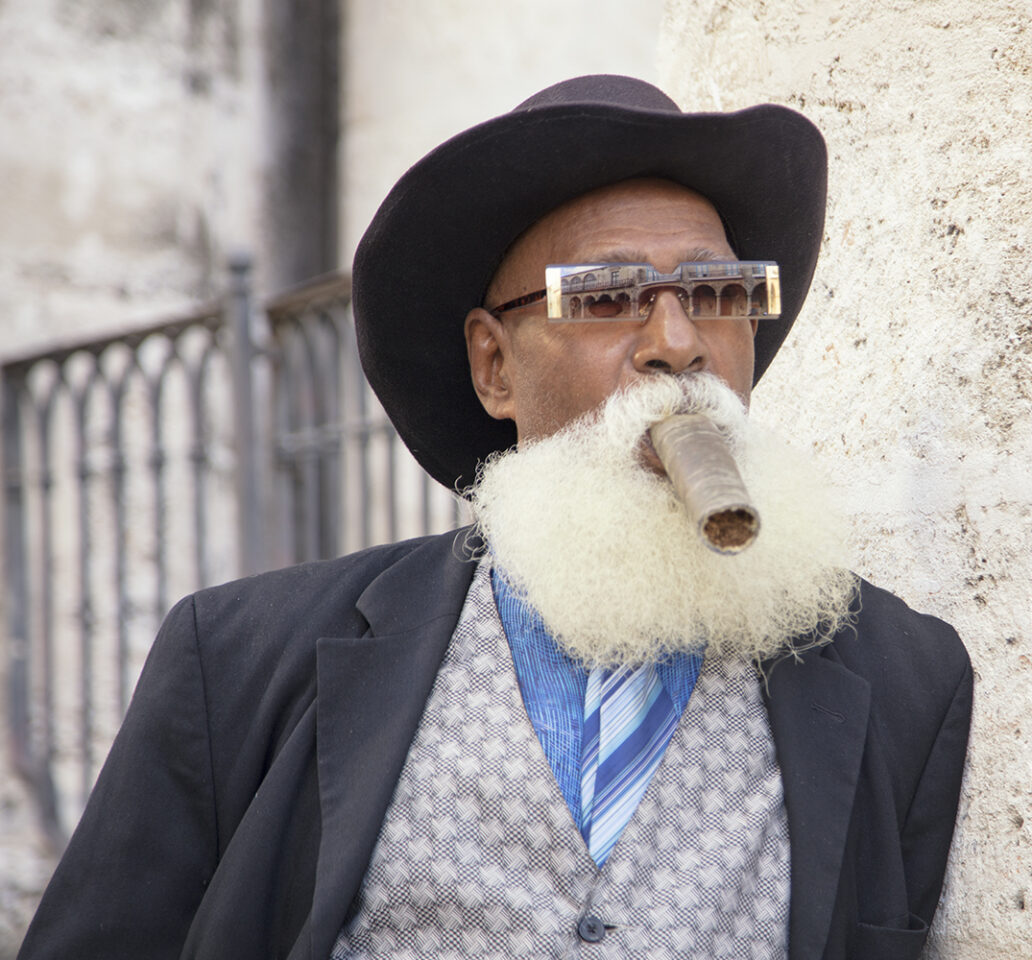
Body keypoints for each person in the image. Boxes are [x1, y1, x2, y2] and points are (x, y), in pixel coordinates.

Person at [20, 74, 973, 960]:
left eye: (720, 294)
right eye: (608, 296)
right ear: (494, 366)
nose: (678, 344)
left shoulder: (904, 682)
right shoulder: (235, 659)